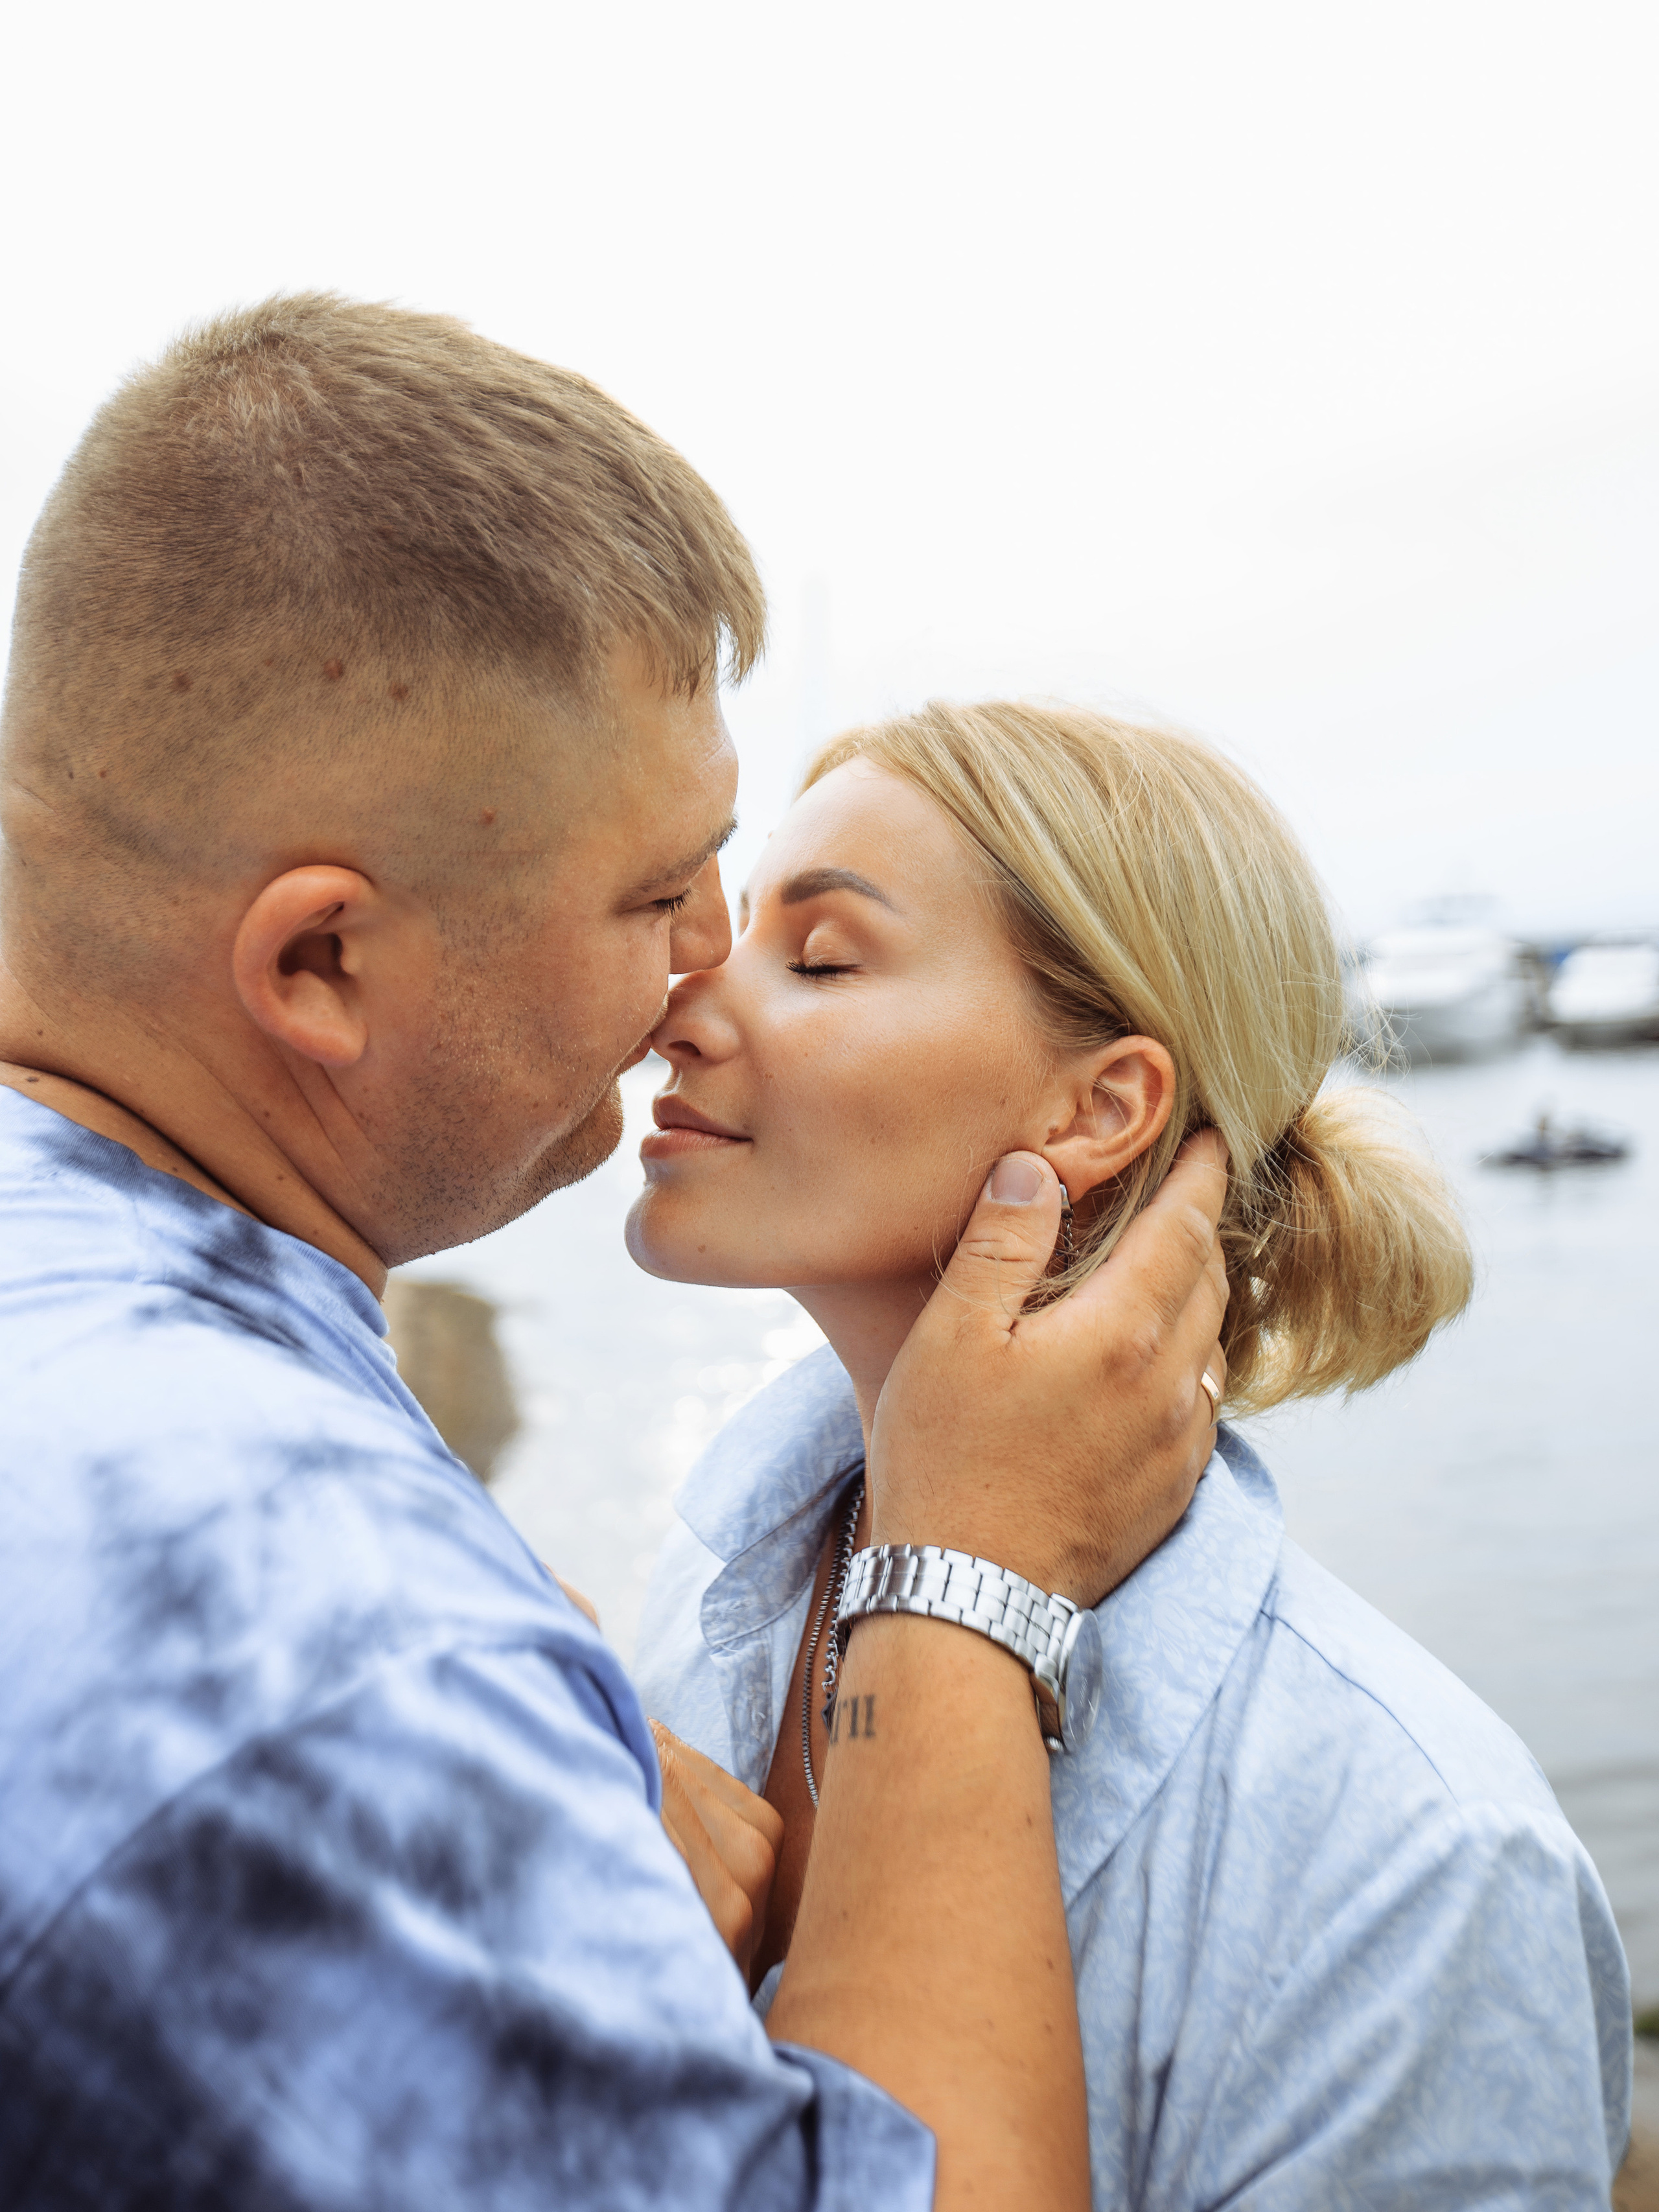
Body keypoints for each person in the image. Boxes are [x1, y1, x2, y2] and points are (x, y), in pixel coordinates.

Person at [0, 297, 1231, 2211]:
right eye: (659, 894)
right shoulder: (341, 1657)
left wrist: (516, 1770)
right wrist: (964, 1576)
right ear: (320, 961)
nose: (699, 976)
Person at [627, 701, 1635, 2208]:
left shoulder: (1414, 1861)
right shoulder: (711, 1590)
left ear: (1099, 1108)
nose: (678, 1006)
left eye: (820, 959)